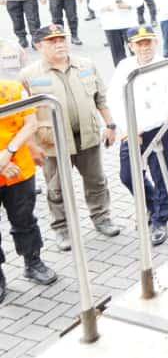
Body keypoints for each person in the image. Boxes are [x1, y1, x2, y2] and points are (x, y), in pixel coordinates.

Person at [21, 24, 120, 250]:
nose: (59, 44)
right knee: (56, 189)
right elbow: (24, 115)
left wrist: (110, 124)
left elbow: (100, 99)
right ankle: (62, 229)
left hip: (87, 137)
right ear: (39, 45)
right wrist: (30, 146)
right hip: (52, 143)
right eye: (52, 41)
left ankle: (101, 217)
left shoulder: (86, 65)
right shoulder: (29, 75)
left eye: (62, 39)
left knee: (96, 181)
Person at [107, 25, 168, 246]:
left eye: (148, 42)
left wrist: (142, 126)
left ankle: (160, 220)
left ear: (156, 42)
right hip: (132, 131)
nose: (144, 47)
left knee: (162, 177)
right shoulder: (124, 66)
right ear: (131, 46)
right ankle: (152, 205)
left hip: (160, 130)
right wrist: (129, 128)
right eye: (139, 43)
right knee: (127, 175)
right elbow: (114, 99)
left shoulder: (167, 67)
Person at [0, 76, 58, 299]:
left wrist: (8, 153)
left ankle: (33, 261)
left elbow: (30, 123)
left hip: (20, 169)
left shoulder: (13, 88)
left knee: (24, 218)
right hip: (6, 165)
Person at [89, 0, 143, 67]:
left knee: (136, 53)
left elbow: (139, 0)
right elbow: (92, 4)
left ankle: (139, 75)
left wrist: (128, 5)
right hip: (110, 25)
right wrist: (104, 7)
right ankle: (123, 79)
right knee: (118, 56)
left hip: (129, 24)